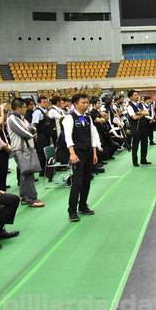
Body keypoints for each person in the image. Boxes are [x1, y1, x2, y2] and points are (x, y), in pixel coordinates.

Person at [62, 93, 100, 222]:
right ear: (75, 104)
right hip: (77, 152)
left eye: (87, 102)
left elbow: (93, 135)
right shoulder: (69, 118)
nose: (86, 105)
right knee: (77, 182)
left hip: (88, 152)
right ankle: (72, 210)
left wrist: (94, 152)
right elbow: (68, 137)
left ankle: (83, 205)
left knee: (87, 180)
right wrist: (72, 153)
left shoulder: (88, 118)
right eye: (83, 103)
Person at [6, 98, 44, 208]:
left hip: (26, 149)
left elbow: (32, 128)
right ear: (18, 108)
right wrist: (30, 132)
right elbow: (24, 133)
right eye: (24, 107)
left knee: (25, 174)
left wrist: (30, 130)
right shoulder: (12, 119)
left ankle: (24, 198)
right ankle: (32, 199)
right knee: (28, 175)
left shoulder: (21, 118)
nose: (26, 109)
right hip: (21, 150)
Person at [127, 90, 151, 167]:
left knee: (145, 143)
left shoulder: (141, 104)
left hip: (144, 126)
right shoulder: (129, 107)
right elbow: (134, 117)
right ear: (131, 97)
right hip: (136, 127)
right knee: (135, 145)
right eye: (135, 95)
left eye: (137, 94)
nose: (137, 96)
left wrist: (141, 113)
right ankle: (135, 161)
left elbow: (148, 113)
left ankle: (143, 159)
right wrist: (142, 114)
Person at [31, 96, 52, 177]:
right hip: (41, 136)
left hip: (46, 135)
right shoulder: (38, 112)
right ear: (39, 103)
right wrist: (35, 134)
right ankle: (42, 171)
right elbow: (34, 124)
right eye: (44, 102)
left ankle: (47, 170)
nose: (46, 104)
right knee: (42, 154)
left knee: (45, 154)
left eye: (47, 102)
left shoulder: (45, 111)